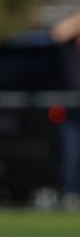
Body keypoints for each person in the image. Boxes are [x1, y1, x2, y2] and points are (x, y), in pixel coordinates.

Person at [50, 12, 80, 209]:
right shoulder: (70, 51)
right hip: (72, 111)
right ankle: (71, 194)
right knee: (71, 154)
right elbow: (57, 32)